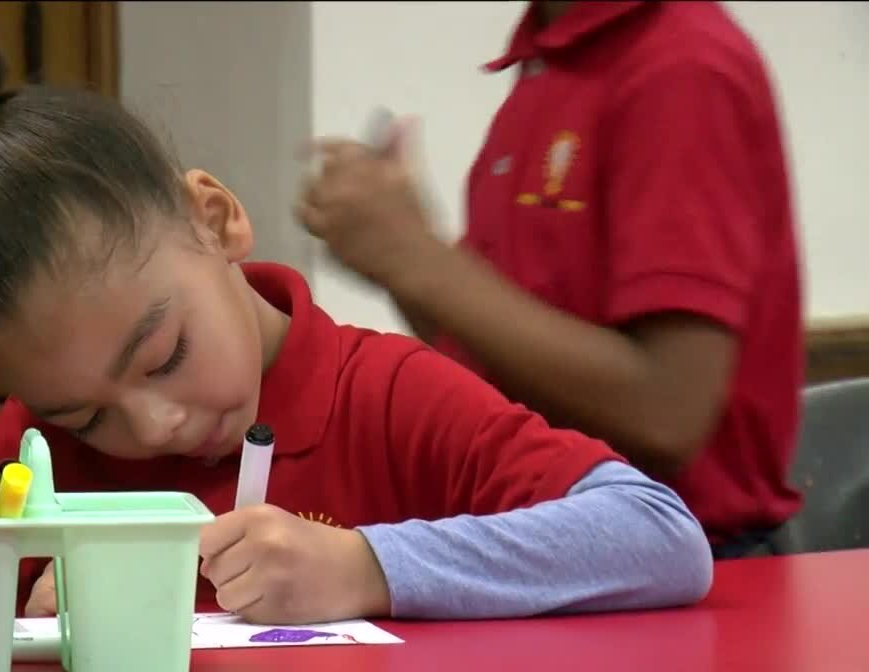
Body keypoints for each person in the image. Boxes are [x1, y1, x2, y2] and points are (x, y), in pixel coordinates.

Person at [0, 17, 712, 625]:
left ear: (216, 218)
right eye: (87, 416)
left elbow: (658, 538)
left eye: (163, 355)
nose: (149, 427)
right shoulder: (42, 445)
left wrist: (369, 568)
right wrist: (14, 634)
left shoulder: (386, 394)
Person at [297, 0, 803, 560]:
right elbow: (505, 366)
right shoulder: (551, 56)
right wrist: (398, 256)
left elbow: (667, 414)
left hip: (677, 565)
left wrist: (418, 259)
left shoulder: (681, 64)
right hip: (547, 543)